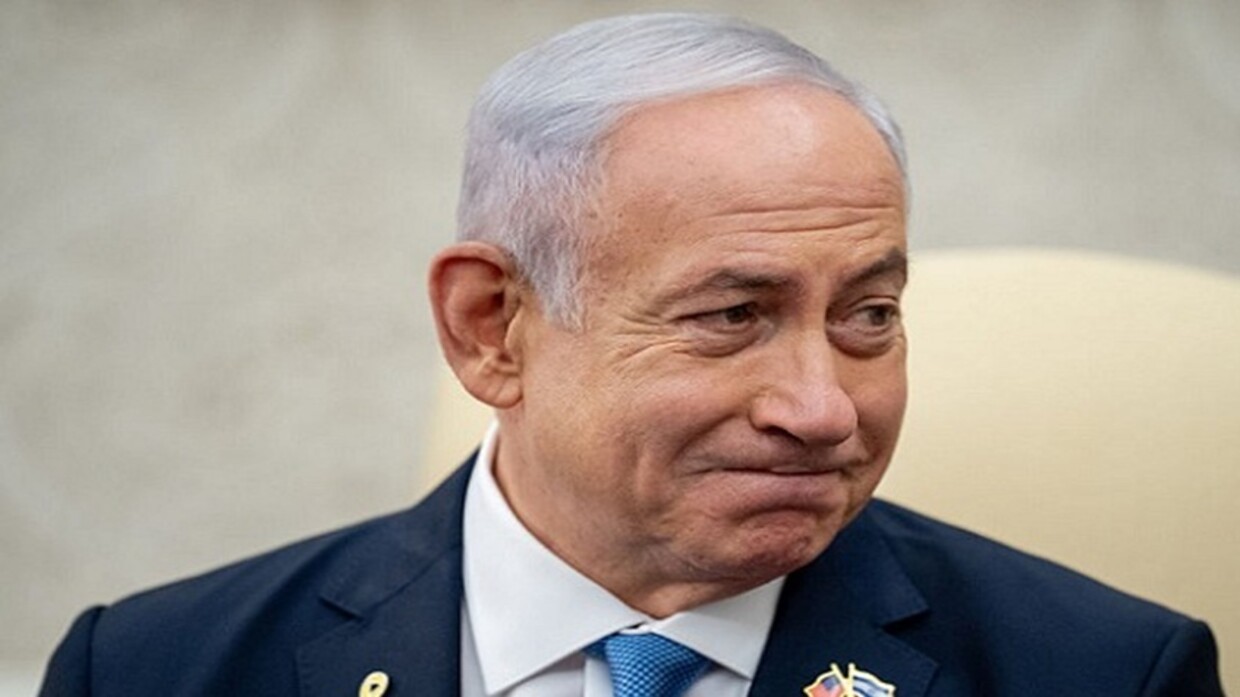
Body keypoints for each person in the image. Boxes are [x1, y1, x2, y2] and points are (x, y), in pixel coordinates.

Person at [39, 13, 1223, 697]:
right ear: (491, 326)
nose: (822, 408)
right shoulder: (152, 669)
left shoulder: (1107, 673)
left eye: (867, 315)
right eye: (731, 315)